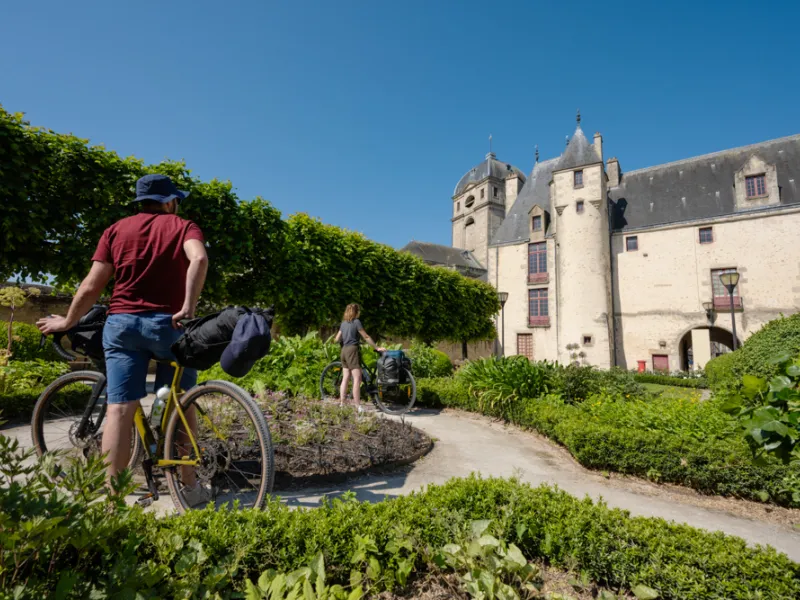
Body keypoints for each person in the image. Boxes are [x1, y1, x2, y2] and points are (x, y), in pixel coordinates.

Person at [37, 174, 210, 505]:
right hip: (168, 326)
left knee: (118, 409)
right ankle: (189, 488)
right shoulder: (183, 226)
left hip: (121, 327)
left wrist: (69, 320)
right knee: (179, 402)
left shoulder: (115, 231)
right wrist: (188, 305)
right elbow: (199, 258)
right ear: (171, 201)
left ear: (141, 202)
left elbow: (92, 284)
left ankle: (112, 500)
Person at [333, 303, 384, 409]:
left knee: (345, 378)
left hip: (344, 351)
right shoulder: (356, 322)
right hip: (352, 350)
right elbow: (365, 336)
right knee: (357, 378)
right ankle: (358, 406)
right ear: (356, 312)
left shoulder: (343, 323)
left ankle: (342, 404)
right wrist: (376, 347)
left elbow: (336, 339)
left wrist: (345, 338)